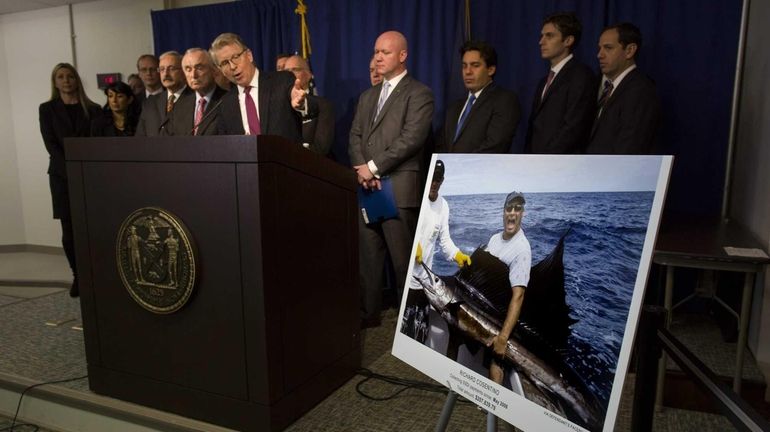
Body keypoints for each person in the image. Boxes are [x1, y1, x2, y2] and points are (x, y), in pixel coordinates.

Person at [349, 30, 434, 328]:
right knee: (368, 259)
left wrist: (372, 167)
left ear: (402, 55)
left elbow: (412, 139)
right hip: (367, 188)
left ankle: (409, 326)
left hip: (397, 188)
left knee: (403, 263)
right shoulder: (367, 95)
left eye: (385, 52)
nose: (378, 57)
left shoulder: (419, 93)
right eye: (376, 52)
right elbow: (356, 135)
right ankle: (367, 315)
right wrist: (363, 168)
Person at [38, 63, 101, 297]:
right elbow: (51, 145)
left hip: (89, 178)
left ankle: (95, 273)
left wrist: (84, 171)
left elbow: (96, 144)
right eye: (61, 77)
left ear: (77, 80)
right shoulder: (47, 109)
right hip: (61, 177)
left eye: (70, 76)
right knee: (69, 230)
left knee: (92, 227)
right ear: (55, 82)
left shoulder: (93, 109)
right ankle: (78, 276)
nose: (66, 81)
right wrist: (71, 171)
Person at [404, 160, 471, 350]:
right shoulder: (416, 197)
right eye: (432, 178)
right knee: (403, 332)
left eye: (438, 179)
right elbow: (402, 228)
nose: (434, 183)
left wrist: (458, 255)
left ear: (442, 181)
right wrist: (413, 242)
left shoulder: (444, 206)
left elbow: (445, 241)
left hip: (426, 284)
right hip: (407, 280)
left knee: (419, 335)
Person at [210, 32, 313, 142]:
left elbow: (310, 109)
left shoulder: (282, 81)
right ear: (221, 70)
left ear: (249, 55)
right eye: (225, 63)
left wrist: (301, 104)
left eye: (235, 57)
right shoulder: (225, 104)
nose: (233, 66)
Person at [525, 12, 597, 154]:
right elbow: (534, 127)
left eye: (549, 36)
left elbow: (573, 127)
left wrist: (548, 158)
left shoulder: (581, 75)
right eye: (542, 35)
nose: (541, 41)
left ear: (568, 40)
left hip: (561, 164)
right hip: (536, 165)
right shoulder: (543, 82)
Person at [587, 22, 661, 154]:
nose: (600, 55)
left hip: (616, 172)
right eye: (600, 48)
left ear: (629, 50)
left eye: (608, 48)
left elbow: (630, 145)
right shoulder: (607, 87)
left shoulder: (640, 90)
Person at [437, 40, 520, 153]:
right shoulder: (454, 108)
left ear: (491, 70)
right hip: (452, 170)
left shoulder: (505, 101)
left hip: (482, 170)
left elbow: (495, 146)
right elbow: (442, 146)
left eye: (475, 65)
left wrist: (459, 166)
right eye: (464, 66)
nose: (468, 71)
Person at [283, 54, 335, 155]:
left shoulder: (323, 105)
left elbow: (321, 147)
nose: (289, 75)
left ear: (308, 75)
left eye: (295, 69)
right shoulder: (278, 106)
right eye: (286, 71)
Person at [169, 48, 228, 136]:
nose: (194, 75)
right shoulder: (180, 105)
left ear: (213, 70)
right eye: (188, 69)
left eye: (199, 68)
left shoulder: (227, 100)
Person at [135, 51, 193, 136]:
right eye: (162, 69)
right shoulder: (150, 103)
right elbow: (139, 138)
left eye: (171, 68)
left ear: (184, 71)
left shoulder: (195, 99)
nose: (166, 74)